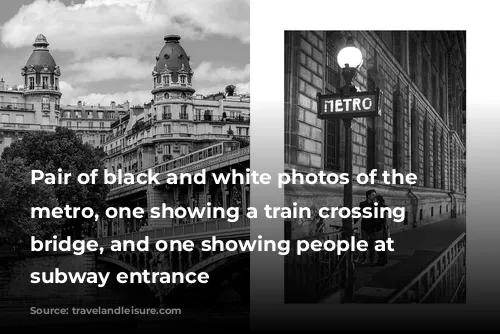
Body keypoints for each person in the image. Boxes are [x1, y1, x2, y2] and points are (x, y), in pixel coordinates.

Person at [354, 189, 377, 265]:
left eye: (375, 194)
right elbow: (359, 213)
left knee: (372, 244)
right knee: (364, 243)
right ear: (368, 196)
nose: (374, 196)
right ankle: (363, 259)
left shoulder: (376, 205)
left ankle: (371, 260)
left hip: (373, 227)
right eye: (373, 194)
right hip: (365, 226)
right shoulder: (363, 204)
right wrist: (353, 221)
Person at [373, 195, 389, 266]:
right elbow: (385, 218)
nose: (374, 201)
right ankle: (384, 260)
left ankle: (381, 261)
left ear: (378, 201)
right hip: (384, 227)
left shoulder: (377, 208)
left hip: (379, 228)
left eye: (375, 200)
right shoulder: (384, 207)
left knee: (379, 245)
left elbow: (379, 219)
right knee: (383, 245)